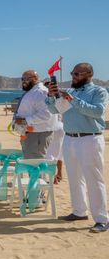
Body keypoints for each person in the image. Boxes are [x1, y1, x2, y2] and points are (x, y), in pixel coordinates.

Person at [47, 63, 109, 232]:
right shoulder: (71, 92)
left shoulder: (99, 92)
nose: (73, 77)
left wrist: (73, 100)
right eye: (72, 73)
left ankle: (102, 219)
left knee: (94, 179)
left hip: (90, 139)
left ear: (89, 74)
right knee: (74, 177)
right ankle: (79, 211)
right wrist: (51, 96)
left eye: (77, 74)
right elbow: (53, 110)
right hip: (69, 139)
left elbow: (97, 112)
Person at [14, 70, 57, 159]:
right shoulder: (32, 91)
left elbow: (46, 114)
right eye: (22, 79)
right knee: (31, 165)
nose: (23, 81)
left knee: (36, 165)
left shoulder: (41, 92)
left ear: (35, 79)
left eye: (26, 79)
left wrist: (24, 120)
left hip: (38, 135)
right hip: (30, 133)